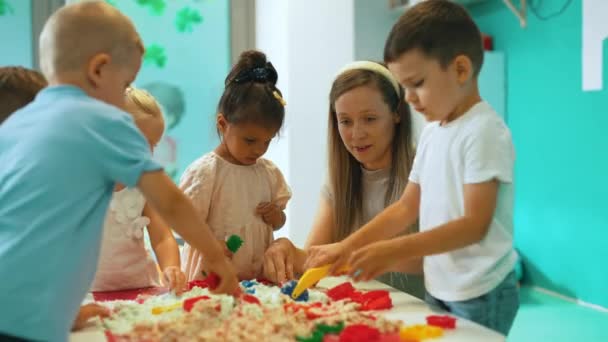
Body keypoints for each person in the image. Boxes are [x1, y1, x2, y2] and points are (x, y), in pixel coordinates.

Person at [0, 2, 237, 341]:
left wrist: (62, 310)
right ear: (99, 69)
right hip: (30, 326)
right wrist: (216, 258)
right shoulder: (105, 120)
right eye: (126, 83)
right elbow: (170, 203)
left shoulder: (19, 123)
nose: (124, 95)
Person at [306, 0, 519, 335]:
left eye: (417, 83)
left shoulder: (484, 132)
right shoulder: (435, 132)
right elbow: (405, 206)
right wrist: (346, 247)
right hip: (442, 287)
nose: (407, 98)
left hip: (481, 291)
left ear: (461, 70)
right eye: (404, 87)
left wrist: (393, 250)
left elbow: (473, 226)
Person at [263, 61, 424, 297]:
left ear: (397, 113)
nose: (357, 134)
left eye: (369, 119)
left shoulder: (422, 167)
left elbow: (437, 258)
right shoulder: (338, 177)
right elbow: (316, 259)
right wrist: (284, 248)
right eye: (345, 121)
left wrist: (352, 253)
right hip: (362, 310)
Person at [180, 50, 292, 281]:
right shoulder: (207, 172)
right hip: (212, 275)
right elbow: (184, 224)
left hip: (256, 276)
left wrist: (275, 216)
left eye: (267, 141)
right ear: (223, 124)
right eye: (250, 140)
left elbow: (279, 223)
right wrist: (210, 245)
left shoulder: (268, 173)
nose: (259, 150)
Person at [91, 87, 186, 293]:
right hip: (89, 291)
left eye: (153, 144)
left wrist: (171, 268)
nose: (148, 152)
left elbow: (162, 237)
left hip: (141, 286)